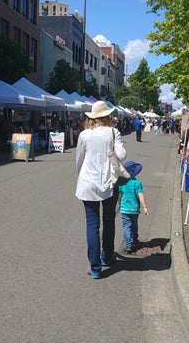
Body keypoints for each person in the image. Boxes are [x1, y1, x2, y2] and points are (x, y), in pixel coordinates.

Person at [75, 101, 127, 279]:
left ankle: (95, 267)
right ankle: (107, 256)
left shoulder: (84, 135)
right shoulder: (114, 132)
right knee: (109, 220)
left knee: (92, 225)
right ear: (107, 116)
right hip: (109, 183)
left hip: (88, 183)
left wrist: (80, 176)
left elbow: (79, 160)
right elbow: (121, 155)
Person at [118, 161, 149, 254]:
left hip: (124, 209)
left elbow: (119, 196)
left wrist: (120, 205)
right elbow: (141, 195)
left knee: (126, 226)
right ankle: (135, 239)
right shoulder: (137, 183)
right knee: (134, 224)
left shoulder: (121, 182)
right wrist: (145, 207)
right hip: (134, 209)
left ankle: (129, 244)